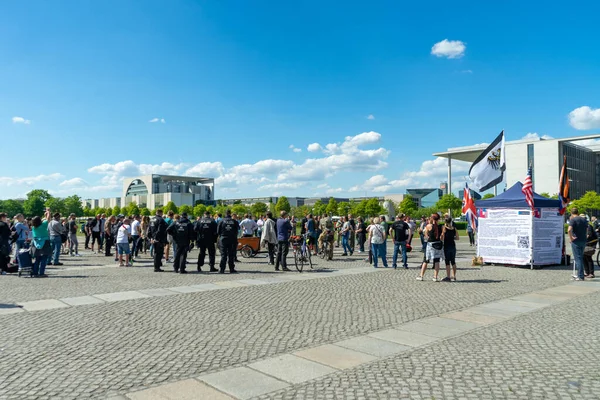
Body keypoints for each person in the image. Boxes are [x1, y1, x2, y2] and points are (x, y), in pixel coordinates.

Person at [417, 214, 444, 281]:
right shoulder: (441, 226)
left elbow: (425, 234)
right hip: (438, 244)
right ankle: (435, 277)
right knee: (437, 261)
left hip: (430, 245)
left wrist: (428, 236)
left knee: (426, 260)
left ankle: (421, 275)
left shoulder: (429, 226)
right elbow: (442, 236)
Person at [31, 210, 52, 277]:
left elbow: (46, 219)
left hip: (36, 243)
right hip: (45, 242)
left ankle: (35, 272)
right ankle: (41, 272)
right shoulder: (43, 225)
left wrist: (46, 215)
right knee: (44, 257)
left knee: (37, 258)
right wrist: (48, 212)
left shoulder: (33, 227)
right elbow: (48, 219)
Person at [569, 208, 588, 281]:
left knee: (578, 258)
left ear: (571, 213)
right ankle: (580, 274)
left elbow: (569, 229)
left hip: (576, 240)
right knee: (580, 257)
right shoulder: (584, 220)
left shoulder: (573, 220)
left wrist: (571, 238)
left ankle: (580, 276)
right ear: (578, 212)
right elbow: (586, 230)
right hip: (583, 240)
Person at [441, 216, 459, 281]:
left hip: (446, 246)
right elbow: (457, 238)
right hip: (453, 246)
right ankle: (454, 276)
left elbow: (442, 238)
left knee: (447, 262)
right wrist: (452, 237)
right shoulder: (454, 229)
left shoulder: (444, 228)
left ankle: (448, 276)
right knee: (453, 261)